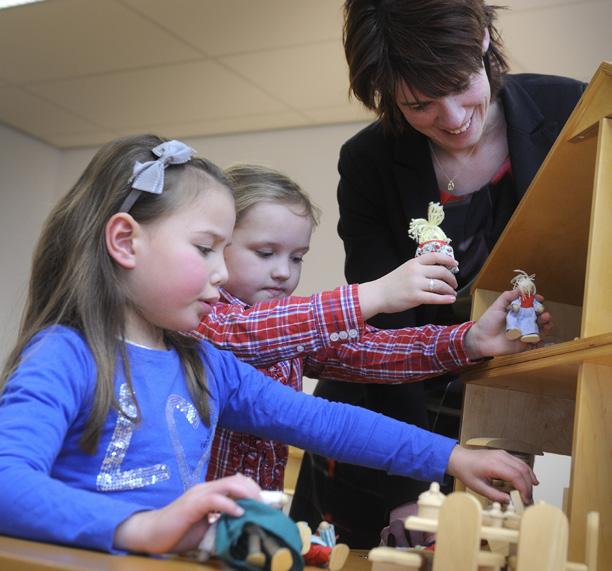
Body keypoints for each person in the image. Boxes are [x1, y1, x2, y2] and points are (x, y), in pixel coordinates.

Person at [0, 135, 540, 555]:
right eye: (207, 249)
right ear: (125, 241)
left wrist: (451, 452)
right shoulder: (65, 355)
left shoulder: (204, 366)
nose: (221, 273)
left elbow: (328, 423)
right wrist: (143, 526)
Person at [290, 0, 587, 548]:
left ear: (481, 46)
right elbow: (384, 325)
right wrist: (408, 486)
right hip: (386, 410)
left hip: (506, 396)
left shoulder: (571, 109)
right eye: (420, 104)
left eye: (460, 85)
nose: (452, 118)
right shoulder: (369, 162)